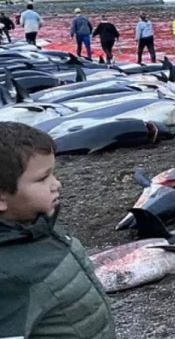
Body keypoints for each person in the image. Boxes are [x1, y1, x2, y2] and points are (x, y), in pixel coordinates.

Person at [0, 122, 116, 338]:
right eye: (43, 178)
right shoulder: (7, 277)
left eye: (53, 173)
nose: (57, 184)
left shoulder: (38, 226)